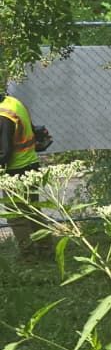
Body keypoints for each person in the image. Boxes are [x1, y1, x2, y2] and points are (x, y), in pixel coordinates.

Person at [0, 86, 53, 261]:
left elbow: (4, 153)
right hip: (31, 165)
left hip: (15, 171)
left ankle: (28, 256)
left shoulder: (3, 117)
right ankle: (46, 250)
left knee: (17, 216)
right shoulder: (13, 103)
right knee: (33, 212)